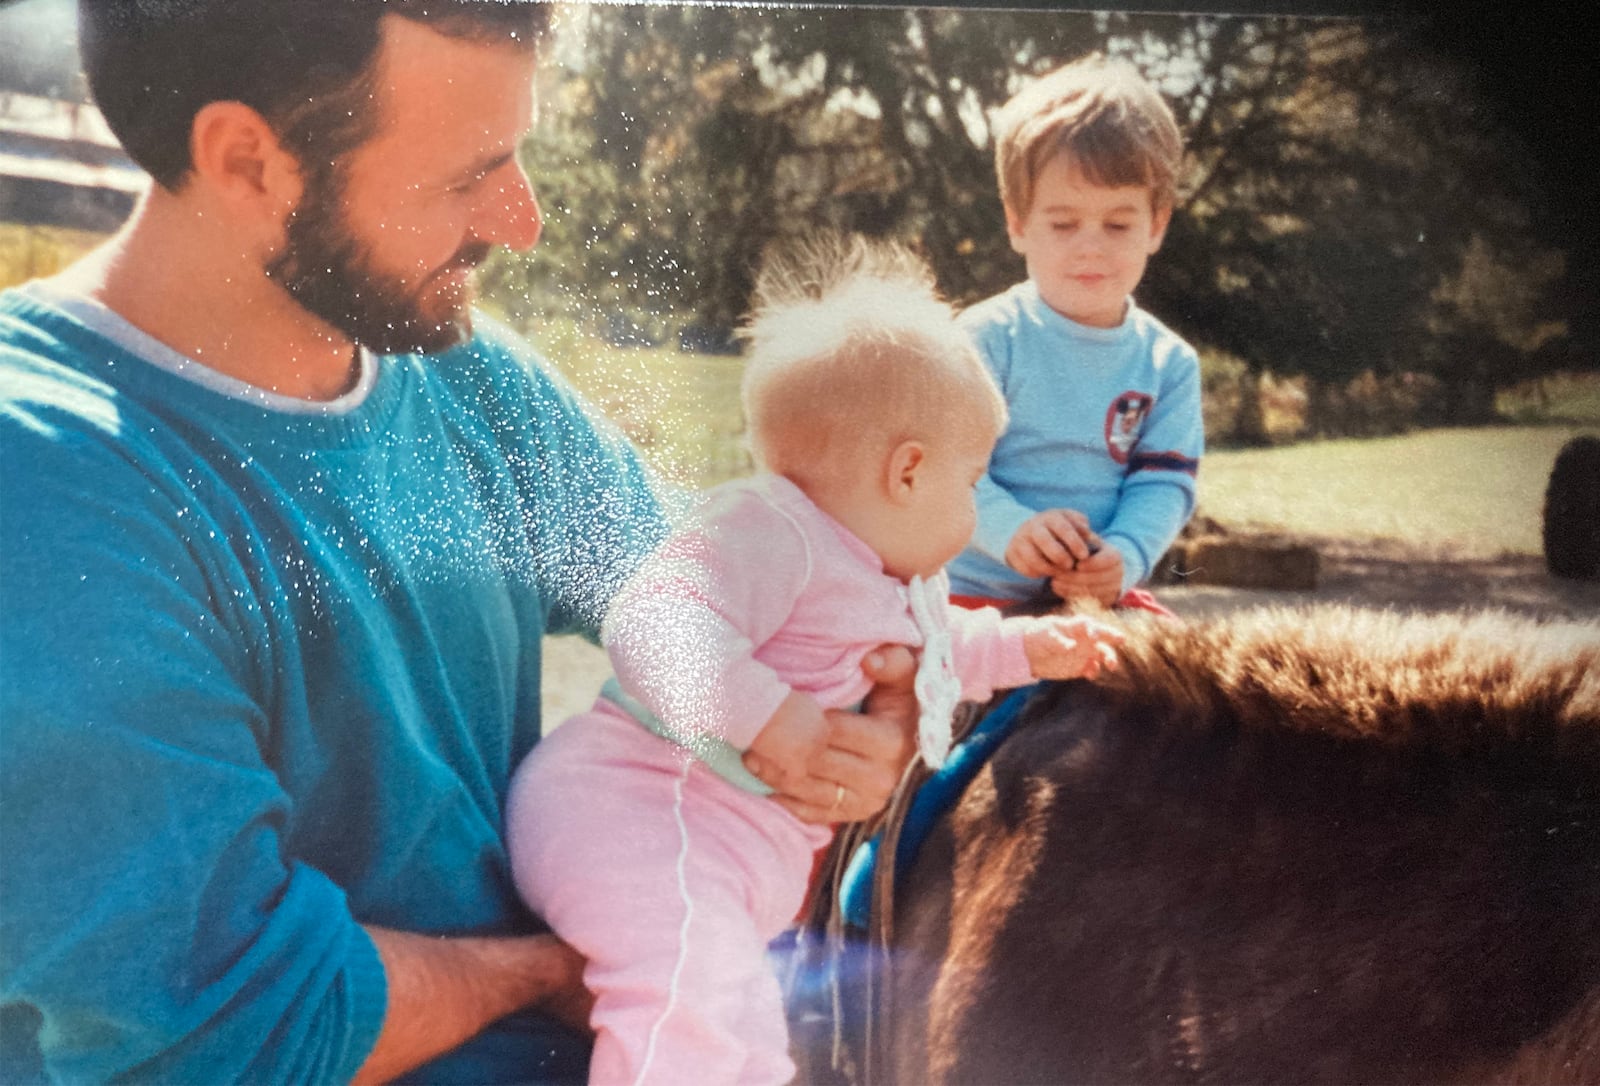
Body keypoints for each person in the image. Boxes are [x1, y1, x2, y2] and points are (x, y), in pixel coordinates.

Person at [0, 4, 917, 1082]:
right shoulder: (47, 486)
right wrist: (554, 967)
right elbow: (232, 1030)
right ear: (250, 162)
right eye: (467, 174)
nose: (522, 220)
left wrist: (868, 702)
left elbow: (717, 610)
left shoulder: (471, 380)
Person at [505, 238, 1127, 1085]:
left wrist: (1034, 647)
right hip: (638, 814)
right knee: (691, 1006)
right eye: (971, 480)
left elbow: (950, 647)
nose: (973, 506)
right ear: (907, 472)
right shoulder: (772, 529)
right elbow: (653, 621)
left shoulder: (888, 579)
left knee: (747, 1027)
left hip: (717, 856)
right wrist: (777, 720)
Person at [946, 54, 1205, 614]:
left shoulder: (1169, 363)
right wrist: (1012, 531)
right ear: (1018, 224)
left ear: (1156, 225)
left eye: (1118, 224)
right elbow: (948, 471)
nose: (1091, 246)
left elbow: (1162, 487)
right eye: (1063, 224)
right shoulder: (983, 339)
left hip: (1092, 602)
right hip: (970, 600)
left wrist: (1124, 557)